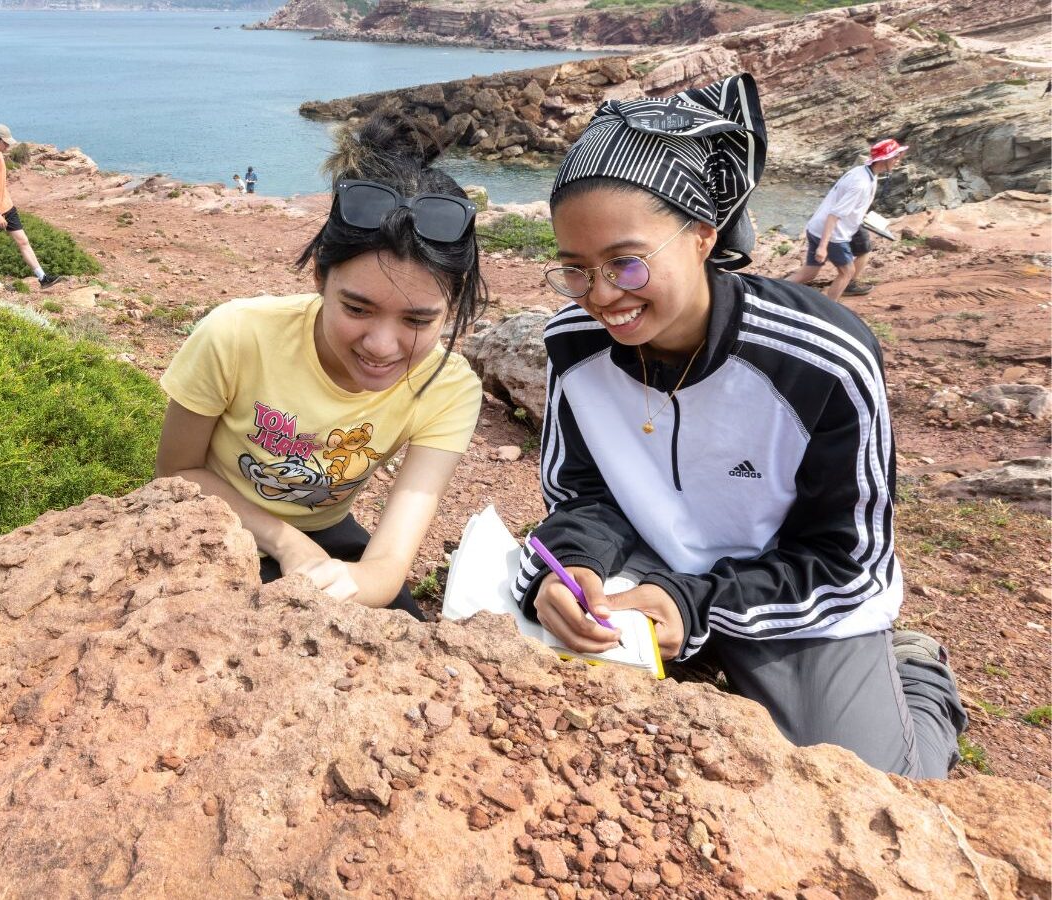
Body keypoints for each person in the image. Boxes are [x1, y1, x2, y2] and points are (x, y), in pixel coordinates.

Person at [510, 74, 966, 778]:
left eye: (626, 263)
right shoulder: (573, 342)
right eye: (575, 269)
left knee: (878, 787)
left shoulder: (822, 360)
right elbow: (581, 496)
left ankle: (914, 673)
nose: (601, 297)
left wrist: (694, 603)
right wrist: (574, 569)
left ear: (701, 234)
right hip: (648, 570)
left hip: (784, 592)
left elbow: (846, 564)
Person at [156, 114, 486, 618]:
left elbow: (388, 564)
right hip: (212, 519)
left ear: (453, 302)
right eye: (356, 309)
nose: (381, 345)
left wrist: (352, 582)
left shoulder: (448, 388)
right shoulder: (237, 334)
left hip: (328, 534)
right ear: (319, 278)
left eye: (418, 319)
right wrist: (285, 543)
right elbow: (176, 473)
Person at [786, 138, 907, 301]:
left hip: (817, 227)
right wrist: (823, 246)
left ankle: (770, 290)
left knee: (809, 273)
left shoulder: (864, 172)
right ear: (884, 159)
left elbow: (844, 204)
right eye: (895, 157)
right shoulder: (861, 184)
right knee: (846, 272)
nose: (898, 161)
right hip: (833, 234)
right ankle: (830, 309)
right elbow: (834, 215)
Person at [0, 124, 60, 290]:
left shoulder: (0, 156)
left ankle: (42, 278)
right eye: (5, 143)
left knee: (23, 241)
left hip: (6, 207)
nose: (8, 146)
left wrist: (6, 203)